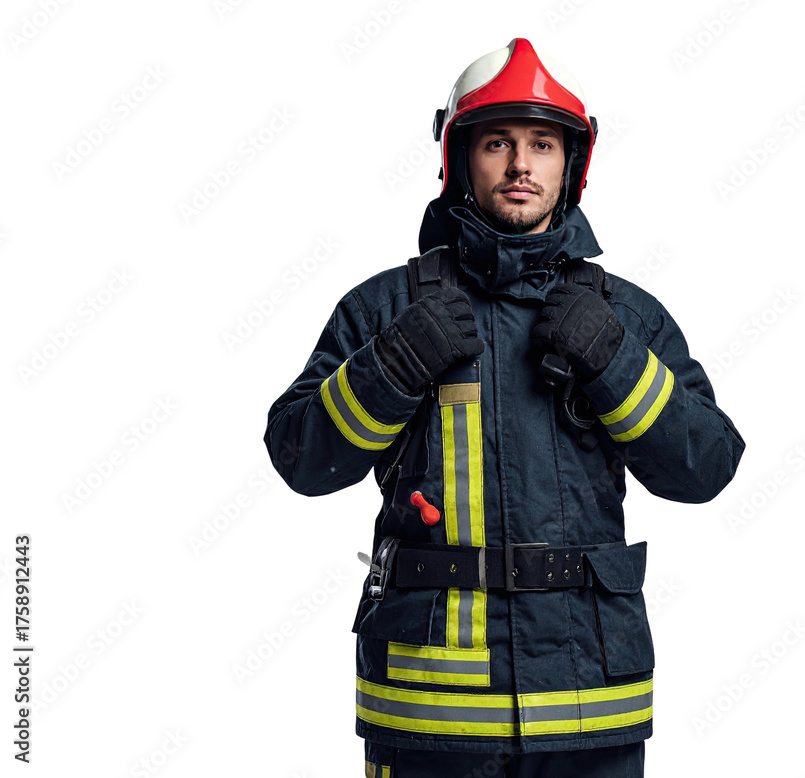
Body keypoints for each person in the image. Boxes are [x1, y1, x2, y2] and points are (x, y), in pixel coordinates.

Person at [263, 37, 745, 777]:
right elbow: (301, 459)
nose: (521, 165)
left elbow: (706, 468)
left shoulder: (625, 318)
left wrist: (614, 360)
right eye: (498, 143)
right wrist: (393, 364)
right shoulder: (385, 310)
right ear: (460, 159)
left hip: (590, 711)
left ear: (571, 164)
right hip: (430, 716)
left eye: (542, 144)